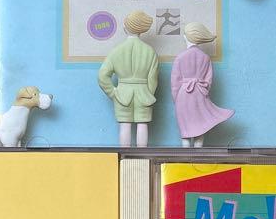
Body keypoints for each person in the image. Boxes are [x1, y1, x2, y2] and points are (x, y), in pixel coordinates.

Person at [97, 10, 159, 147]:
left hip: (122, 94)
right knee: (143, 124)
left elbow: (102, 75)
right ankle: (143, 156)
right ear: (141, 29)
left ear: (125, 28)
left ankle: (125, 156)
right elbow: (153, 78)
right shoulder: (150, 51)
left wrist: (113, 92)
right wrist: (148, 93)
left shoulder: (116, 51)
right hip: (144, 93)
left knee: (125, 125)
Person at [170, 22, 234, 146]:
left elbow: (175, 82)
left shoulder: (180, 57)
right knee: (200, 128)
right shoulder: (205, 57)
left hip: (183, 96)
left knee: (185, 131)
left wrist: (176, 99)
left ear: (186, 37)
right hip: (200, 94)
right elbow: (208, 81)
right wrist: (204, 92)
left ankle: (185, 156)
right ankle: (198, 154)